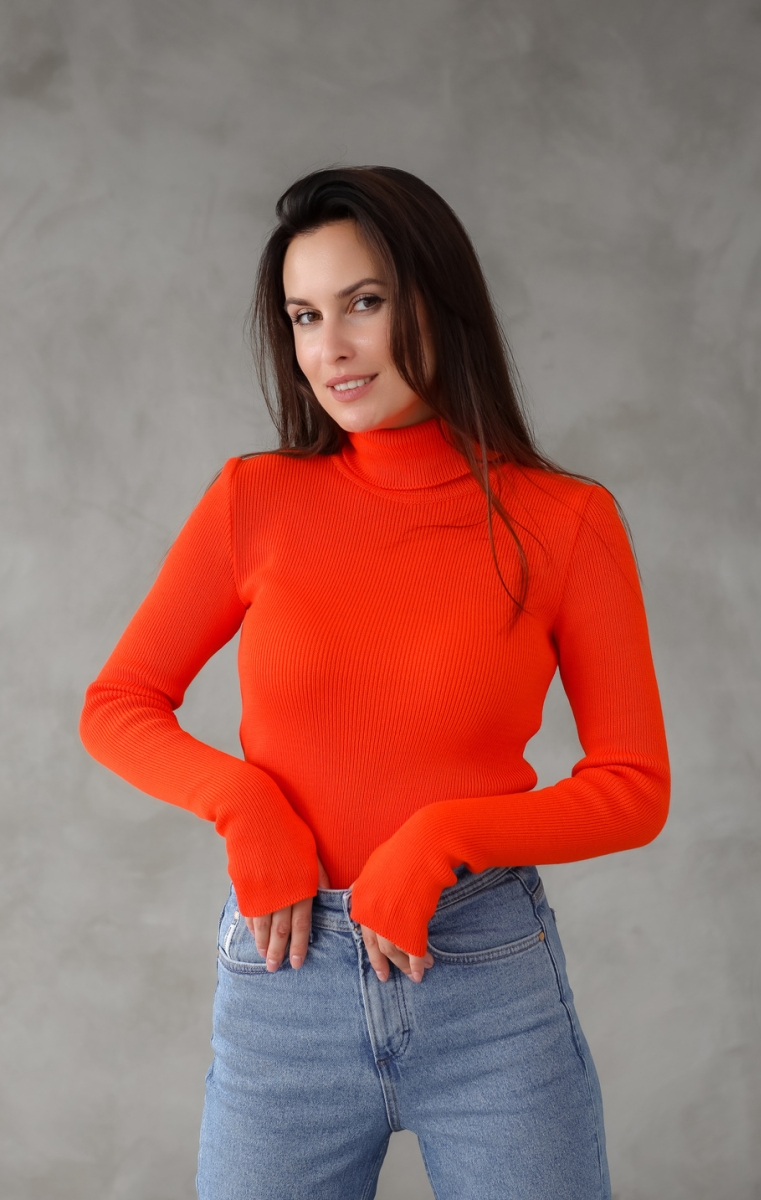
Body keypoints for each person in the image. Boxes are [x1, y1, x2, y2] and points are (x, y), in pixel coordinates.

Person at [79, 165, 670, 1200]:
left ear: (438, 301)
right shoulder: (254, 500)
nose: (330, 349)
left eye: (363, 303)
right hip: (286, 981)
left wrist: (444, 839)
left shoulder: (564, 522)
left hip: (485, 979)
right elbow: (116, 704)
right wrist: (244, 804)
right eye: (304, 316)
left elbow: (634, 786)